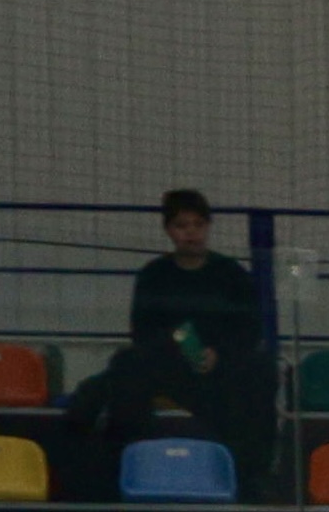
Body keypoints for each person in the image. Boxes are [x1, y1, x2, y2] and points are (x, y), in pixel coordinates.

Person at [62, 190, 274, 484]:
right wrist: (177, 350)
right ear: (169, 230)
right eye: (181, 225)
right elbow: (142, 333)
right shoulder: (154, 275)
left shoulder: (232, 273)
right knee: (127, 365)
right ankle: (121, 469)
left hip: (222, 369)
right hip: (168, 367)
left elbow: (249, 330)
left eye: (198, 225)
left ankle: (253, 477)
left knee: (263, 369)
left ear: (208, 226)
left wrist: (219, 354)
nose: (191, 233)